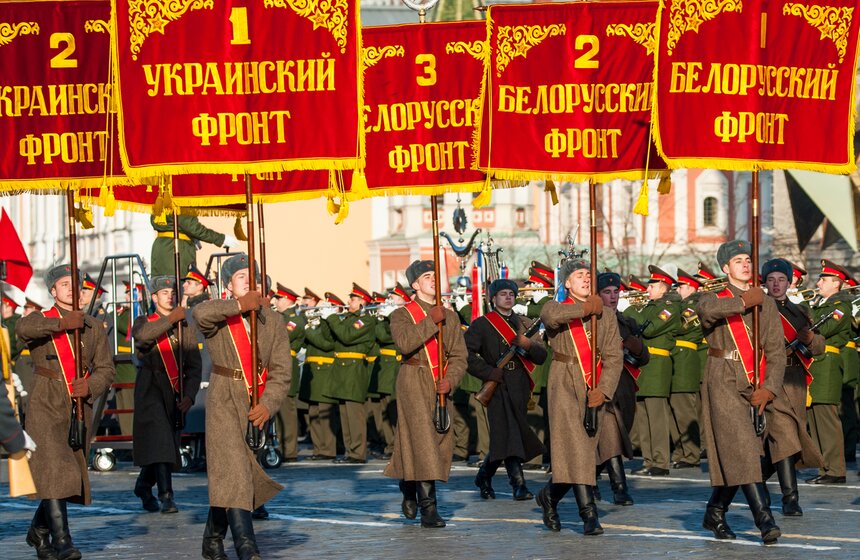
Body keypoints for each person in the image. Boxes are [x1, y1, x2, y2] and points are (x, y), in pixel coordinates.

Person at [193, 253, 291, 560]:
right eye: (240, 278)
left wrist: (268, 404)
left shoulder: (272, 320)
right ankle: (247, 546)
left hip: (254, 402)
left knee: (233, 474)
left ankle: (212, 538)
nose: (248, 281)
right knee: (235, 471)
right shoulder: (220, 315)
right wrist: (238, 306)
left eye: (252, 277)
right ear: (229, 286)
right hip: (224, 397)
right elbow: (199, 314)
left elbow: (281, 372)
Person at [17, 264, 116, 560]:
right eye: (64, 285)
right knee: (55, 470)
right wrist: (61, 325)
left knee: (66, 475)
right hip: (45, 401)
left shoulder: (94, 327)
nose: (72, 290)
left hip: (77, 404)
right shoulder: (41, 319)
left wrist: (91, 386)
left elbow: (106, 369)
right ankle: (63, 542)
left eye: (77, 286)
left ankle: (39, 531)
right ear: (52, 291)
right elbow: (23, 330)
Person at [696, 240, 784, 544]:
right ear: (725, 268)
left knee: (740, 453)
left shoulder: (766, 302)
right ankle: (765, 520)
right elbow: (707, 311)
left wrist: (769, 388)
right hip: (723, 379)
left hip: (755, 382)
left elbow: (776, 351)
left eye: (748, 259)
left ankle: (715, 511)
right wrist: (745, 302)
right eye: (737, 261)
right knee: (744, 449)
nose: (745, 265)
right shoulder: (713, 297)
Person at [535, 259, 622, 536]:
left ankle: (550, 495)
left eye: (589, 275)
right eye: (579, 275)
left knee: (582, 450)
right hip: (564, 382)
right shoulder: (555, 306)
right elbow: (550, 318)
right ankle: (589, 514)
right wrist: (585, 309)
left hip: (593, 384)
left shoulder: (605, 316)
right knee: (577, 448)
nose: (586, 279)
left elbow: (613, 356)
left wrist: (604, 389)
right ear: (567, 283)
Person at [384, 259, 467, 528]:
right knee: (422, 441)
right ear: (416, 285)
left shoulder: (450, 315)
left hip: (439, 382)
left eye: (435, 275)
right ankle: (429, 508)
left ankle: (409, 485)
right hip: (413, 380)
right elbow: (405, 343)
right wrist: (431, 322)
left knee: (440, 440)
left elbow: (459, 356)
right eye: (427, 276)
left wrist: (451, 380)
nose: (433, 279)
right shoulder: (402, 314)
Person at [467, 278, 547, 501]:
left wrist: (528, 345)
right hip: (498, 384)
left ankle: (484, 475)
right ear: (493, 299)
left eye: (511, 294)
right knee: (511, 432)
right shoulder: (482, 324)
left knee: (508, 434)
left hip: (519, 384)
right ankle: (518, 484)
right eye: (502, 294)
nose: (508, 297)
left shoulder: (524, 323)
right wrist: (488, 372)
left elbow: (541, 356)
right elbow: (466, 355)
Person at [131, 276, 202, 514]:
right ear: (154, 297)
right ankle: (166, 495)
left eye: (172, 292)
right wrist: (170, 319)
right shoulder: (143, 321)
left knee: (165, 444)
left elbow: (194, 365)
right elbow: (142, 336)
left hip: (174, 390)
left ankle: (143, 485)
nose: (169, 296)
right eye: (163, 292)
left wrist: (190, 395)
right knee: (161, 440)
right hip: (151, 388)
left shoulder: (185, 327)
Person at [762, 258, 825, 515]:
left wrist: (811, 338)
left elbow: (818, 347)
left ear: (789, 282)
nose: (776, 285)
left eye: (781, 280)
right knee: (785, 434)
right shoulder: (759, 309)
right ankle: (790, 499)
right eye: (771, 280)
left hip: (796, 380)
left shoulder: (800, 311)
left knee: (784, 438)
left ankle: (749, 479)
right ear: (764, 283)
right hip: (771, 377)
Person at [595, 271, 649, 505]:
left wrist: (636, 348)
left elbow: (644, 358)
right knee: (612, 436)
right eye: (607, 292)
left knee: (614, 434)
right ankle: (620, 488)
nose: (613, 296)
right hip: (601, 383)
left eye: (616, 292)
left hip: (624, 385)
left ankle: (589, 479)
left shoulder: (628, 322)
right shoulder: (592, 322)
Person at [624, 265, 679, 476]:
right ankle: (648, 460)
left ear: (664, 287)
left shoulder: (669, 307)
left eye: (652, 285)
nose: (648, 289)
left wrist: (628, 310)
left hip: (657, 363)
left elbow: (649, 328)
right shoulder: (651, 306)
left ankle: (661, 461)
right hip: (643, 363)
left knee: (657, 416)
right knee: (643, 416)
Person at [806, 259, 854, 484]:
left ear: (836, 283)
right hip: (816, 362)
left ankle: (835, 470)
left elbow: (821, 329)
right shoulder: (820, 304)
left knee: (826, 418)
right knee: (815, 417)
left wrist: (805, 316)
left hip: (827, 362)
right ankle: (824, 468)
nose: (818, 283)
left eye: (823, 279)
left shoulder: (840, 307)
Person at [324, 284, 377, 463]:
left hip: (354, 370)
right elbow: (330, 339)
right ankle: (350, 452)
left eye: (353, 299)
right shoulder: (347, 318)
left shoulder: (365, 320)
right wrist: (325, 320)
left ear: (362, 302)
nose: (348, 302)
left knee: (354, 415)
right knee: (345, 414)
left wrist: (331, 318)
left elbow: (346, 336)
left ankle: (358, 453)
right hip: (341, 369)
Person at [669, 269, 705, 469]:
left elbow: (680, 326)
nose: (678, 290)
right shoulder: (681, 305)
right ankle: (681, 451)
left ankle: (691, 454)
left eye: (681, 286)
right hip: (676, 357)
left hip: (685, 359)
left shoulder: (694, 305)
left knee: (685, 410)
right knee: (675, 409)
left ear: (691, 287)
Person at [299, 289, 340, 461]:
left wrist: (309, 331)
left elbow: (327, 344)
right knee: (313, 413)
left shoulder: (331, 324)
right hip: (312, 371)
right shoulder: (314, 322)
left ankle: (328, 449)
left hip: (325, 371)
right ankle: (318, 448)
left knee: (325, 413)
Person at [272, 284, 306, 463]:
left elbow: (282, 337)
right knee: (277, 408)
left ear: (287, 300)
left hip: (287, 363)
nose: (275, 302)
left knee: (287, 409)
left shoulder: (294, 319)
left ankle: (290, 450)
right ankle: (282, 446)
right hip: (277, 363)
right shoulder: (280, 317)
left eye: (278, 298)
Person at [150, 214, 239, 277]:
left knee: (161, 290)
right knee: (180, 289)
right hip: (176, 248)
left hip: (162, 247)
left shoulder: (163, 196)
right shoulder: (179, 196)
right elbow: (192, 226)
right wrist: (221, 239)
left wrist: (192, 238)